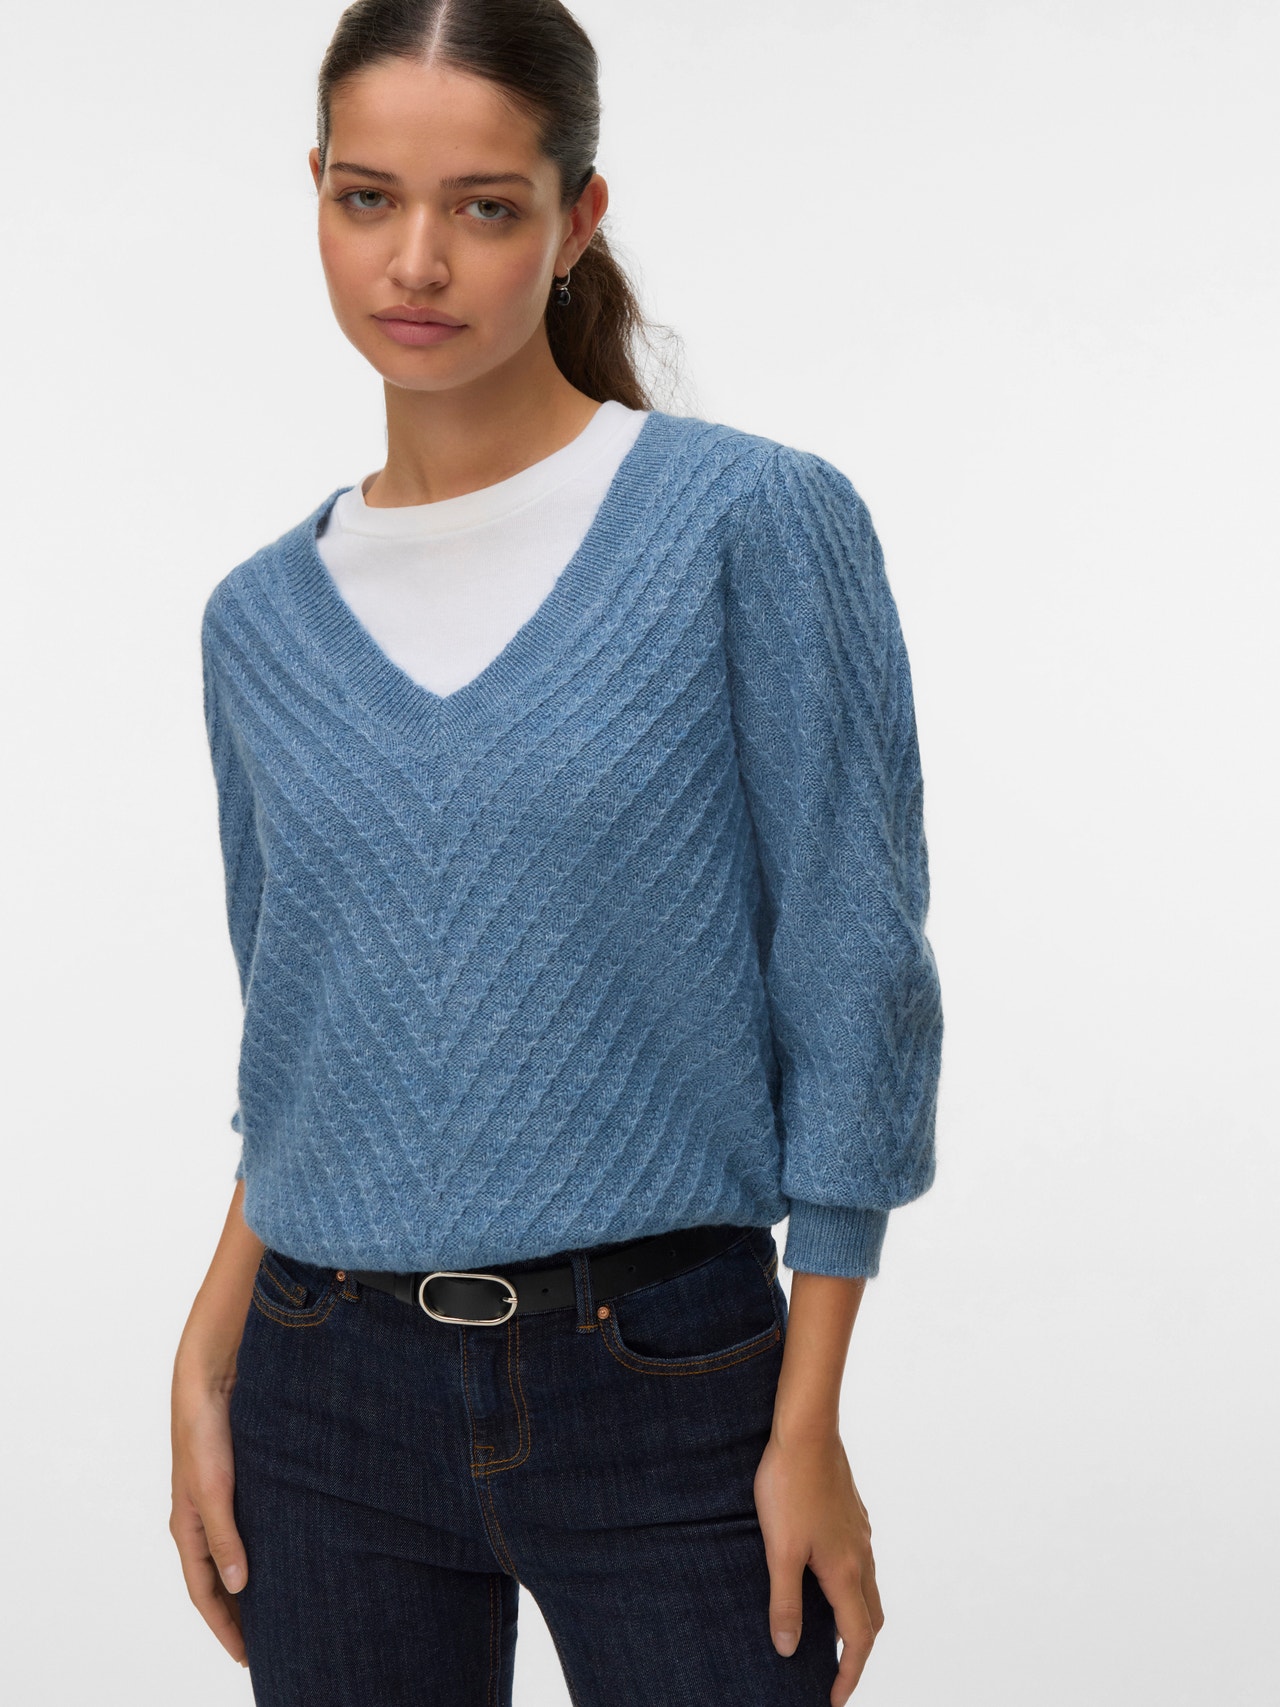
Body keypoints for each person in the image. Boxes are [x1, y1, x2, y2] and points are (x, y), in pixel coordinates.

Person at [168, 2, 944, 1703]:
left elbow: (854, 968)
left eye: (486, 206)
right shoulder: (257, 622)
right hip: (319, 1388)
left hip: (667, 1381)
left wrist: (808, 1418)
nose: (417, 261)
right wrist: (206, 1356)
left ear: (578, 217)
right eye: (367, 198)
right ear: (315, 194)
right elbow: (302, 1040)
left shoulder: (750, 523)